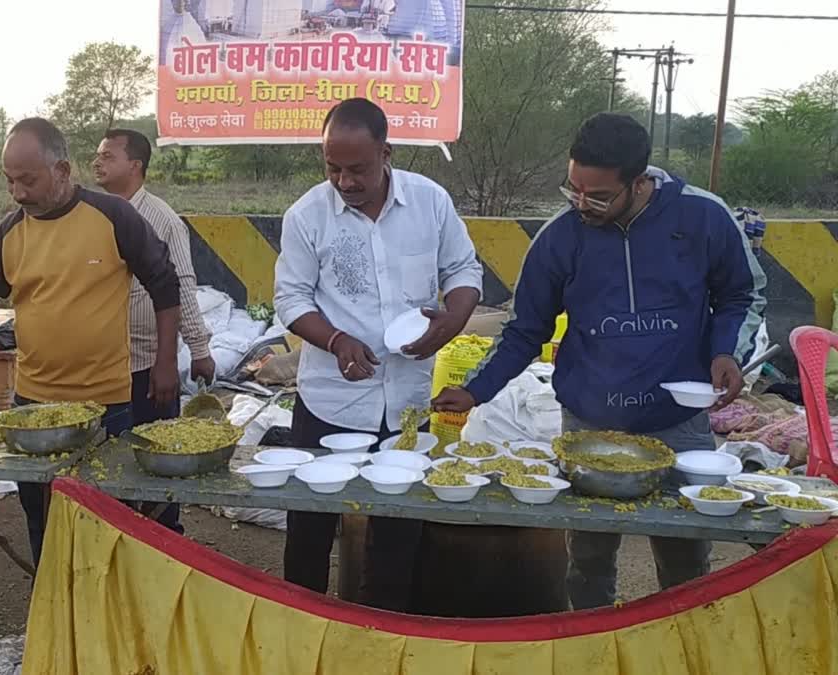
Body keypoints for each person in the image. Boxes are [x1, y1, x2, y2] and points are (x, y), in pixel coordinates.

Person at [433, 112, 766, 610]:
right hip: (588, 420)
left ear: (639, 181)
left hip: (679, 420)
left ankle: (682, 645)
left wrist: (727, 352)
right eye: (573, 190)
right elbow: (526, 329)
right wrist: (476, 390)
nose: (582, 205)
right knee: (588, 557)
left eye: (599, 196)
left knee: (685, 558)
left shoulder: (702, 217)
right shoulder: (560, 237)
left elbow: (743, 294)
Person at [0, 118, 182, 564]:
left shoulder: (113, 217)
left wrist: (166, 361)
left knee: (110, 517)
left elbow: (165, 283)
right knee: (42, 515)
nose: (19, 193)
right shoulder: (9, 233)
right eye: (9, 182)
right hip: (33, 406)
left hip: (107, 404)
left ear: (61, 170)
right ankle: (52, 604)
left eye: (28, 180)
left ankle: (111, 611)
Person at [273, 98, 483, 610]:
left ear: (386, 153)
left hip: (407, 402)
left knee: (396, 533)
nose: (344, 181)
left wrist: (453, 319)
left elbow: (463, 270)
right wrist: (337, 340)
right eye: (332, 167)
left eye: (358, 168)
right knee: (309, 533)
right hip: (330, 403)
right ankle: (305, 632)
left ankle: (378, 634)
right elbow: (291, 298)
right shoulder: (307, 215)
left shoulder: (430, 202)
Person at [92, 128, 215, 534]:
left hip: (149, 364)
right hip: (105, 365)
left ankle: (164, 544)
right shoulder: (92, 215)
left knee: (157, 463)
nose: (97, 162)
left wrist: (197, 350)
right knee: (112, 465)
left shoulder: (161, 219)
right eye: (98, 155)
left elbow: (183, 284)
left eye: (108, 156)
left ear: (135, 166)